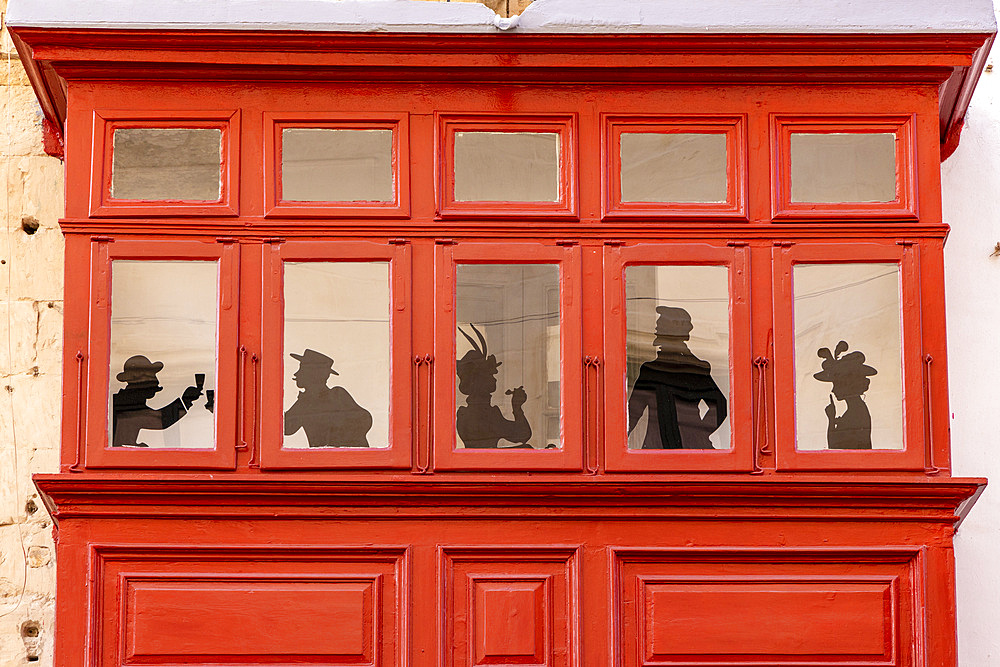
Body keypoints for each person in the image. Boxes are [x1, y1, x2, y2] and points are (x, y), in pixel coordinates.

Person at [627, 306, 727, 449]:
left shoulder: (694, 368)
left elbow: (719, 404)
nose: (656, 328)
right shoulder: (694, 367)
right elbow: (633, 413)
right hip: (668, 448)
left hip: (666, 450)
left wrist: (698, 432)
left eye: (660, 325)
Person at [455, 324, 532, 449]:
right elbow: (522, 435)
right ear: (479, 380)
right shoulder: (486, 413)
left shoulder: (464, 412)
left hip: (476, 464)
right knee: (527, 449)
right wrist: (517, 407)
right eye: (489, 375)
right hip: (485, 465)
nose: (494, 377)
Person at [284, 348, 373, 447]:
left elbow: (364, 419)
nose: (297, 374)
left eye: (302, 369)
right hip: (320, 459)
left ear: (314, 374)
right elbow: (286, 428)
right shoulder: (304, 402)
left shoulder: (337, 395)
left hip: (347, 458)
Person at [111, 355, 203, 447]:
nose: (156, 380)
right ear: (136, 379)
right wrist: (186, 401)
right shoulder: (128, 403)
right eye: (149, 376)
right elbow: (160, 420)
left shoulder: (127, 400)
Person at [814, 341, 877, 450]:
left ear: (849, 384)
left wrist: (831, 419)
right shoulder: (857, 409)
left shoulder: (856, 413)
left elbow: (835, 448)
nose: (833, 390)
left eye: (837, 384)